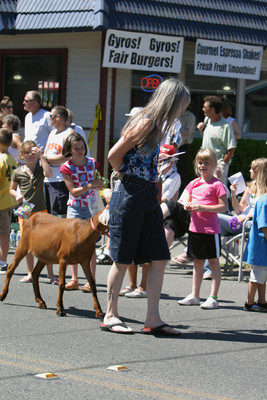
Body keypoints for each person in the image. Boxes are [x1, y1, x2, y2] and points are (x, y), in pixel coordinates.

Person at [100, 77, 190, 335]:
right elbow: (114, 156)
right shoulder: (147, 121)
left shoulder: (158, 124)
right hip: (131, 193)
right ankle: (110, 315)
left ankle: (153, 318)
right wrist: (128, 175)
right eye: (181, 104)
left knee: (160, 256)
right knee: (123, 256)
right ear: (171, 101)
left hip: (148, 193)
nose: (183, 110)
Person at [178, 148, 227, 309]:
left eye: (206, 162)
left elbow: (223, 207)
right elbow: (185, 201)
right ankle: (195, 295)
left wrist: (202, 206)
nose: (202, 165)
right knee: (197, 262)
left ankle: (213, 297)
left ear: (213, 165)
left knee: (213, 262)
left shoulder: (217, 184)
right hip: (195, 229)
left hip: (211, 230)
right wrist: (187, 205)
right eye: (200, 162)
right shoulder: (194, 183)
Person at [9, 140, 58, 283]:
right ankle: (30, 273)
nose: (30, 155)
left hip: (41, 211)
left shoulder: (39, 168)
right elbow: (12, 189)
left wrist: (42, 157)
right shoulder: (18, 171)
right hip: (25, 210)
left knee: (47, 243)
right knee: (27, 244)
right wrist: (16, 195)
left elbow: (48, 174)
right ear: (22, 156)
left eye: (33, 152)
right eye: (27, 152)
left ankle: (50, 274)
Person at [59, 132, 102, 291]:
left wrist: (99, 184)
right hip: (75, 207)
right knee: (73, 245)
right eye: (76, 148)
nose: (80, 150)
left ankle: (91, 280)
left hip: (91, 207)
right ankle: (74, 279)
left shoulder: (92, 163)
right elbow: (73, 191)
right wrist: (91, 185)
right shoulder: (66, 167)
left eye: (82, 147)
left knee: (91, 245)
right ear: (69, 150)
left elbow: (99, 181)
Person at [43, 105, 75, 217]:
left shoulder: (69, 133)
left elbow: (66, 156)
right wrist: (44, 159)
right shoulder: (52, 133)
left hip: (61, 180)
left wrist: (45, 159)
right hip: (49, 179)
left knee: (62, 214)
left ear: (58, 117)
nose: (49, 118)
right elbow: (45, 153)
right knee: (51, 213)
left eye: (51, 116)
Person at [197, 96, 236, 185]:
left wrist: (222, 165)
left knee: (218, 193)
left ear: (213, 110)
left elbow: (231, 148)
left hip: (217, 166)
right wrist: (201, 130)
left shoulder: (226, 126)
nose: (202, 109)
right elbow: (209, 138)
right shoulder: (207, 120)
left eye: (205, 107)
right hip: (204, 164)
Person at [243, 168, 267, 312]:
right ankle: (249, 302)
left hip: (261, 246)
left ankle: (262, 301)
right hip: (261, 246)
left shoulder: (263, 199)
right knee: (257, 275)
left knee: (262, 275)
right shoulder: (264, 201)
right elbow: (264, 225)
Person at [0, 128, 18, 273]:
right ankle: (2, 261)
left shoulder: (0, 159)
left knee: (3, 234)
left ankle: (1, 262)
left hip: (0, 201)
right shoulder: (12, 159)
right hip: (9, 201)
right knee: (4, 233)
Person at [177, 105, 196, 193]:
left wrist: (176, 128)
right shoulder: (176, 115)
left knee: (182, 171)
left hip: (183, 146)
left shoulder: (190, 117)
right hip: (173, 146)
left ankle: (182, 193)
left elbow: (187, 132)